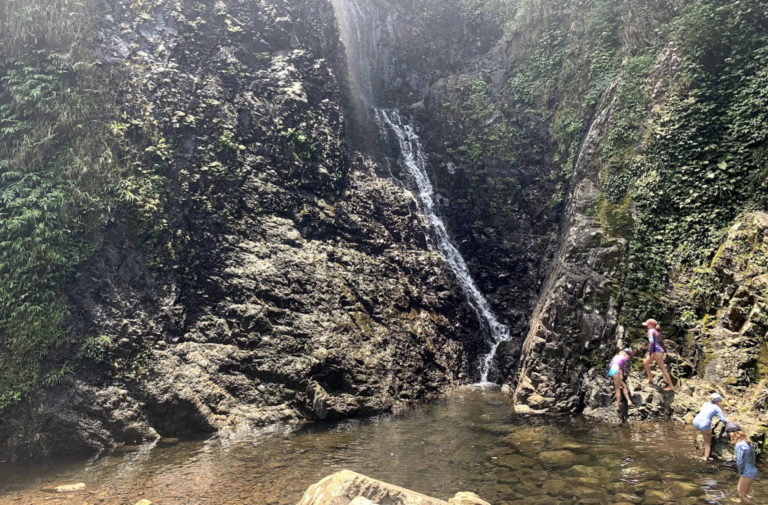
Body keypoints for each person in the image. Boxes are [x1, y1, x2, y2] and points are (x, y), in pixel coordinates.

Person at [727, 423, 757, 503]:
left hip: (747, 472)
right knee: (740, 490)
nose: (729, 436)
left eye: (728, 434)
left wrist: (740, 471)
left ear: (732, 433)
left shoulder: (739, 445)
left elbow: (740, 461)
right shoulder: (747, 442)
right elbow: (753, 456)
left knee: (742, 495)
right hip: (752, 470)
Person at [641, 318, 675, 391]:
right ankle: (650, 379)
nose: (646, 326)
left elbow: (651, 343)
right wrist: (665, 351)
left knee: (662, 369)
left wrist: (650, 352)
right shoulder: (656, 331)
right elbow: (661, 342)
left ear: (650, 325)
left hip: (656, 351)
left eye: (647, 325)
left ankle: (671, 386)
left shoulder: (650, 331)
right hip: (658, 351)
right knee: (645, 362)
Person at [692, 393, 728, 460]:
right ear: (719, 401)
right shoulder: (717, 408)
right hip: (704, 424)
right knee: (707, 443)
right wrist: (728, 424)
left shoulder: (705, 404)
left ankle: (706, 434)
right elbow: (723, 419)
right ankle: (706, 457)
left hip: (695, 421)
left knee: (706, 432)